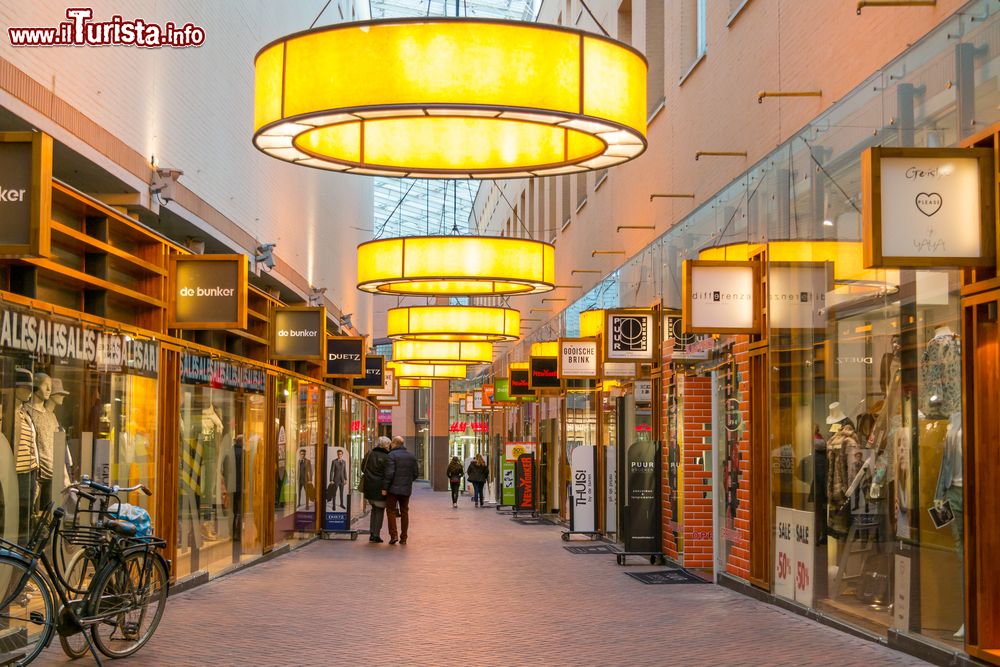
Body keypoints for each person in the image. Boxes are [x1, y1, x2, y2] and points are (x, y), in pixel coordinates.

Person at [383, 435, 418, 545]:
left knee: (391, 511)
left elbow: (389, 473)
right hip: (406, 489)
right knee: (404, 512)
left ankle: (394, 536)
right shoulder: (411, 456)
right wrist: (408, 481)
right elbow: (416, 473)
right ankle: (404, 537)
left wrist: (384, 488)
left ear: (394, 443)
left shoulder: (391, 455)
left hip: (393, 489)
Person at [361, 437, 391, 543]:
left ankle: (372, 533)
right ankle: (376, 534)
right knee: (379, 510)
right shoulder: (387, 457)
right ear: (386, 445)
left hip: (369, 485)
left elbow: (362, 468)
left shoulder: (369, 453)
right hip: (380, 487)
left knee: (374, 509)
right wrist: (385, 488)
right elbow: (388, 474)